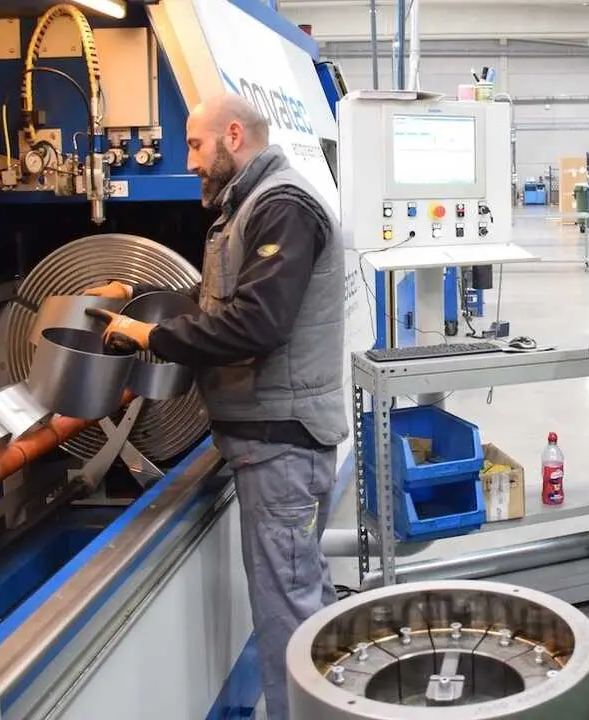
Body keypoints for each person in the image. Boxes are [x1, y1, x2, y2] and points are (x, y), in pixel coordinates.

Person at [82, 92, 347, 720]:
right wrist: (136, 305)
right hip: (270, 442)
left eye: (196, 145)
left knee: (287, 617)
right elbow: (212, 303)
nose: (190, 160)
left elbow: (255, 325)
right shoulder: (246, 210)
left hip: (283, 442)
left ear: (234, 135)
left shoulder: (280, 207)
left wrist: (150, 336)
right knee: (299, 596)